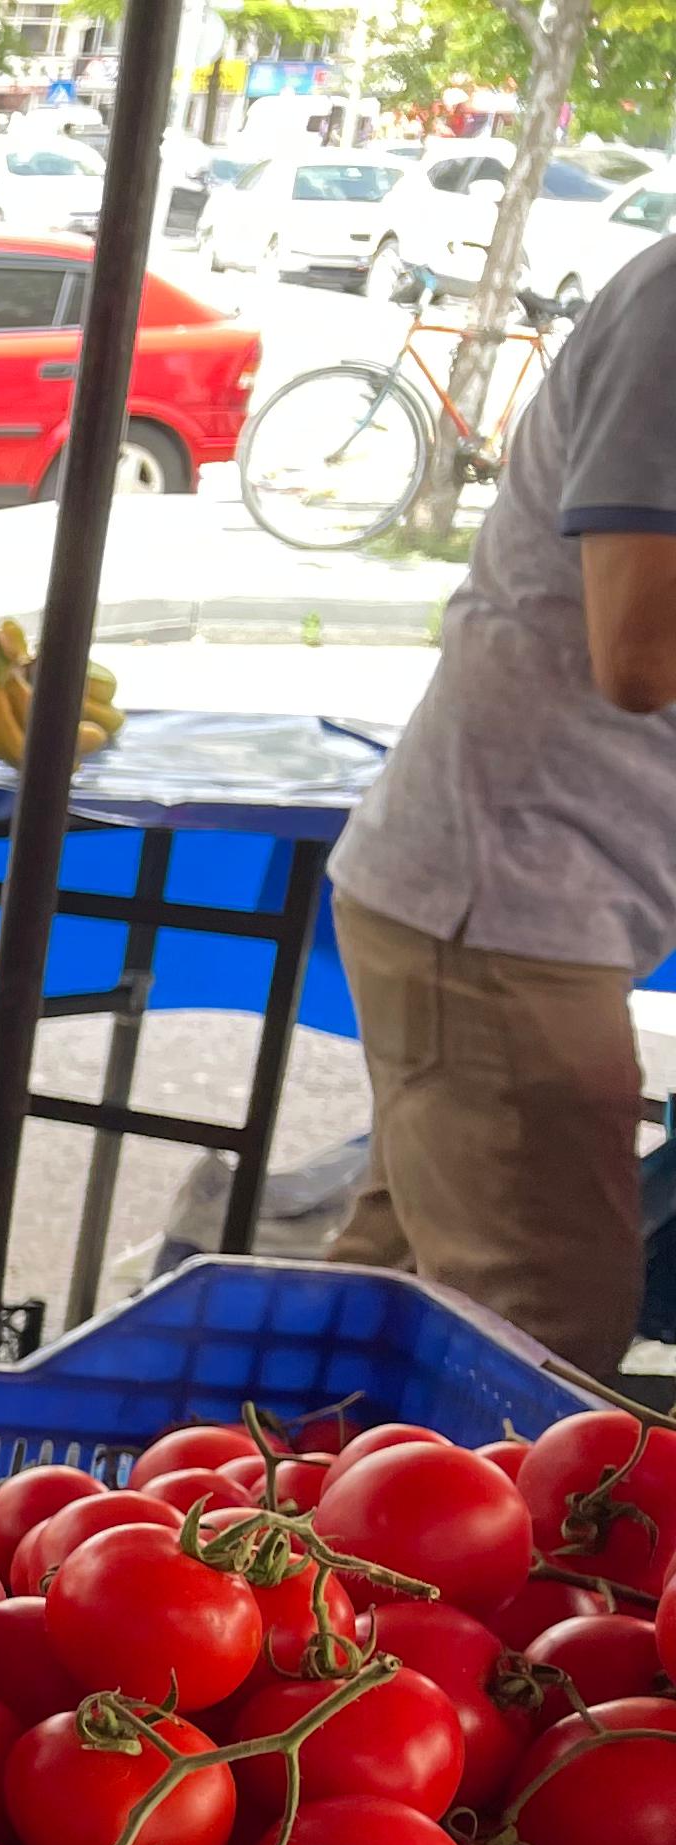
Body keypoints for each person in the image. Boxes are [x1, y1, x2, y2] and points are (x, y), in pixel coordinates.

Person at [320, 229, 676, 1378]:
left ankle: (233, 1534)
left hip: (530, 899)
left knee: (370, 1336)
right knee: (543, 1343)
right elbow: (641, 646)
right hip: (504, 904)